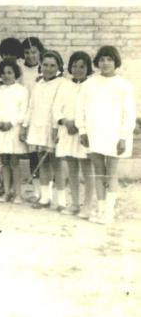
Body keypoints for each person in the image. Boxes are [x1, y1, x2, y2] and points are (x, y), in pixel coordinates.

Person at [77, 46, 135, 224]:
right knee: (99, 172)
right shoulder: (89, 84)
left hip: (115, 134)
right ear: (97, 62)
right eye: (102, 59)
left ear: (116, 62)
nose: (105, 63)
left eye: (109, 59)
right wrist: (82, 130)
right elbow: (80, 109)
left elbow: (129, 113)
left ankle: (109, 212)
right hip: (94, 132)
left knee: (111, 173)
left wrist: (123, 136)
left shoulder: (123, 85)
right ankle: (101, 209)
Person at [22, 50, 65, 210]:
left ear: (59, 66)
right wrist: (25, 126)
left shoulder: (62, 83)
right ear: (41, 65)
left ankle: (61, 201)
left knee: (57, 164)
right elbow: (31, 107)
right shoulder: (38, 84)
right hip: (38, 127)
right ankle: (45, 198)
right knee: (43, 163)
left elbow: (59, 108)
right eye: (45, 65)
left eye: (52, 65)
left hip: (53, 128)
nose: (48, 68)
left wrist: (56, 128)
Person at [53, 52, 94, 217]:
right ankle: (75, 204)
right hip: (67, 131)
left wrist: (79, 125)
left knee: (87, 169)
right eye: (75, 66)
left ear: (88, 68)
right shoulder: (64, 86)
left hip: (84, 133)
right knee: (72, 169)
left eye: (82, 66)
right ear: (70, 67)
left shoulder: (91, 86)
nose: (78, 69)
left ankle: (88, 205)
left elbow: (93, 110)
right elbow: (56, 108)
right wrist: (64, 121)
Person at [0, 61, 28, 203]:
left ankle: (18, 193)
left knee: (14, 162)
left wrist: (11, 123)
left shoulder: (22, 91)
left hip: (13, 129)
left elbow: (23, 111)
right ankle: (6, 191)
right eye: (3, 73)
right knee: (4, 161)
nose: (6, 75)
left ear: (15, 74)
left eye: (9, 72)